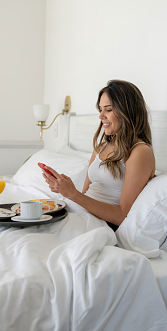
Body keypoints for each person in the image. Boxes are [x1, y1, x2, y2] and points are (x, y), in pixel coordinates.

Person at [41, 80, 155, 229]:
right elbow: (85, 195)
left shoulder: (140, 151)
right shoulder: (101, 147)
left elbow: (123, 215)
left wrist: (73, 194)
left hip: (97, 223)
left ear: (128, 111)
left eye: (108, 110)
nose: (101, 116)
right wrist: (65, 189)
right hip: (75, 212)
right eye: (100, 109)